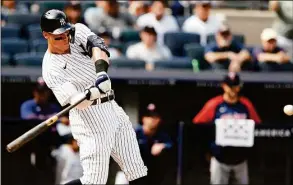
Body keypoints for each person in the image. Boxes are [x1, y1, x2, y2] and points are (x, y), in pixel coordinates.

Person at [40, 9, 147, 185]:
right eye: (59, 37)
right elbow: (77, 103)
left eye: (66, 33)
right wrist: (92, 92)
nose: (65, 39)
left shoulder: (78, 30)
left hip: (112, 108)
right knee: (94, 182)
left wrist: (101, 74)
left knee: (137, 172)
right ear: (46, 35)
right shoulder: (50, 68)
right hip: (88, 121)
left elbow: (99, 46)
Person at [192, 72, 262, 185]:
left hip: (241, 158)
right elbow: (198, 125)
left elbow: (257, 125)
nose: (233, 89)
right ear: (224, 86)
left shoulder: (245, 104)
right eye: (230, 86)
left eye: (235, 86)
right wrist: (207, 149)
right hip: (220, 157)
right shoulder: (215, 104)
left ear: (239, 87)